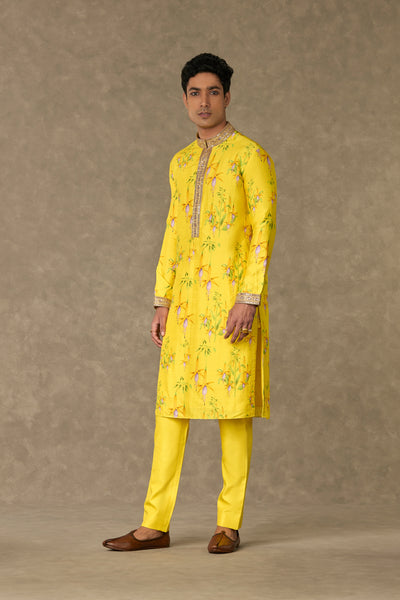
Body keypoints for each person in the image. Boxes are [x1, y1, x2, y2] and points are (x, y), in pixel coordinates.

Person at [102, 52, 277, 554]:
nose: (204, 102)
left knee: (232, 411)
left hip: (232, 301)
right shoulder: (180, 163)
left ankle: (228, 524)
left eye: (213, 92)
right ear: (184, 100)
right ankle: (153, 525)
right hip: (184, 304)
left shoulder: (251, 155)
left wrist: (249, 298)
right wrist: (161, 300)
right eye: (195, 93)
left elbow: (263, 230)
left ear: (228, 96)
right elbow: (174, 232)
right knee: (170, 409)